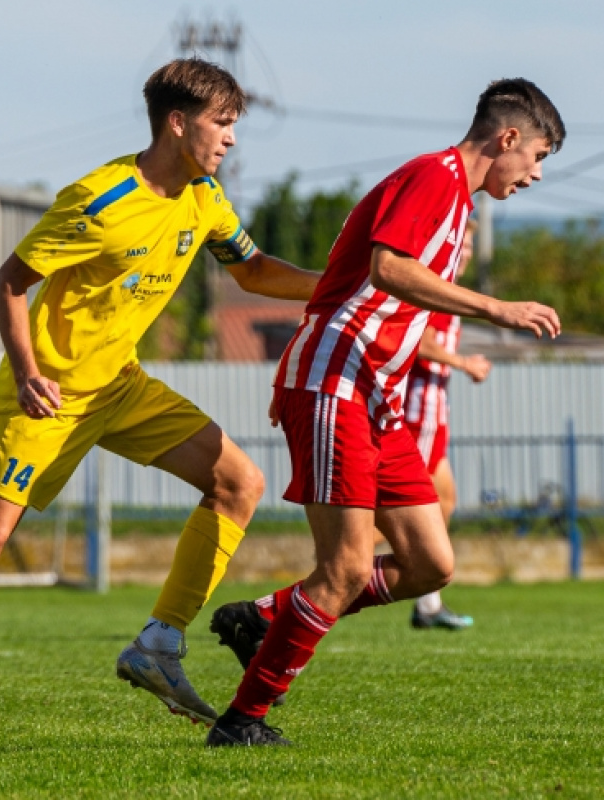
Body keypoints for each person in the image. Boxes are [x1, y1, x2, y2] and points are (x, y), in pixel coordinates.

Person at [0, 58, 322, 755]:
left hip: (121, 387)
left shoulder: (205, 196)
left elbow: (252, 271)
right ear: (178, 121)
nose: (229, 140)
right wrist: (29, 371)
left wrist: (340, 285)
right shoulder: (97, 201)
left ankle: (160, 641)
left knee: (238, 484)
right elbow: (9, 282)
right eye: (222, 124)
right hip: (50, 392)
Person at [206, 77, 565, 747]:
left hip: (376, 397)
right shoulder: (435, 177)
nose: (536, 174)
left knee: (431, 564)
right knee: (342, 568)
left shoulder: (462, 204)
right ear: (508, 138)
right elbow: (389, 270)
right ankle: (242, 719)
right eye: (538, 156)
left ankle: (269, 617)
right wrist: (497, 309)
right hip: (337, 383)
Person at [406, 220, 492, 630]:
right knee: (397, 515)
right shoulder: (431, 288)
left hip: (435, 411)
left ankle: (428, 604)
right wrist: (465, 363)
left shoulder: (446, 288)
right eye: (465, 243)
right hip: (418, 410)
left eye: (472, 244)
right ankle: (320, 585)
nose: (469, 252)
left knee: (445, 500)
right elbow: (420, 345)